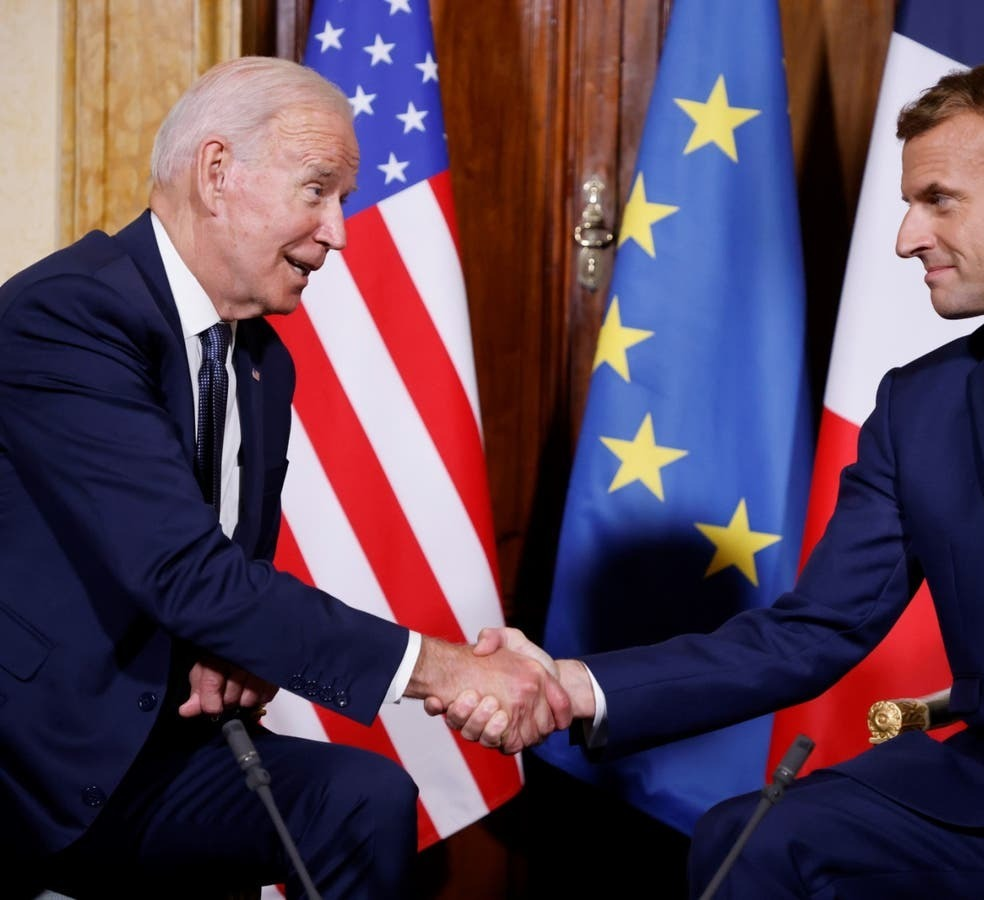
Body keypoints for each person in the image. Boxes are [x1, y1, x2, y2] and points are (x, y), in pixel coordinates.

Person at [438, 60, 984, 898]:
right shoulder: (921, 406)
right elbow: (816, 630)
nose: (906, 238)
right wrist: (574, 686)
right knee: (750, 842)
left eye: (938, 200)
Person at [0, 56, 569, 899]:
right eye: (317, 191)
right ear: (217, 174)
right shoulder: (69, 316)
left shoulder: (261, 358)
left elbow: (228, 579)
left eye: (341, 199)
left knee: (363, 800)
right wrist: (447, 671)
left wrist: (234, 644)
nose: (339, 232)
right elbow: (185, 573)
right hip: (35, 760)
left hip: (170, 743)